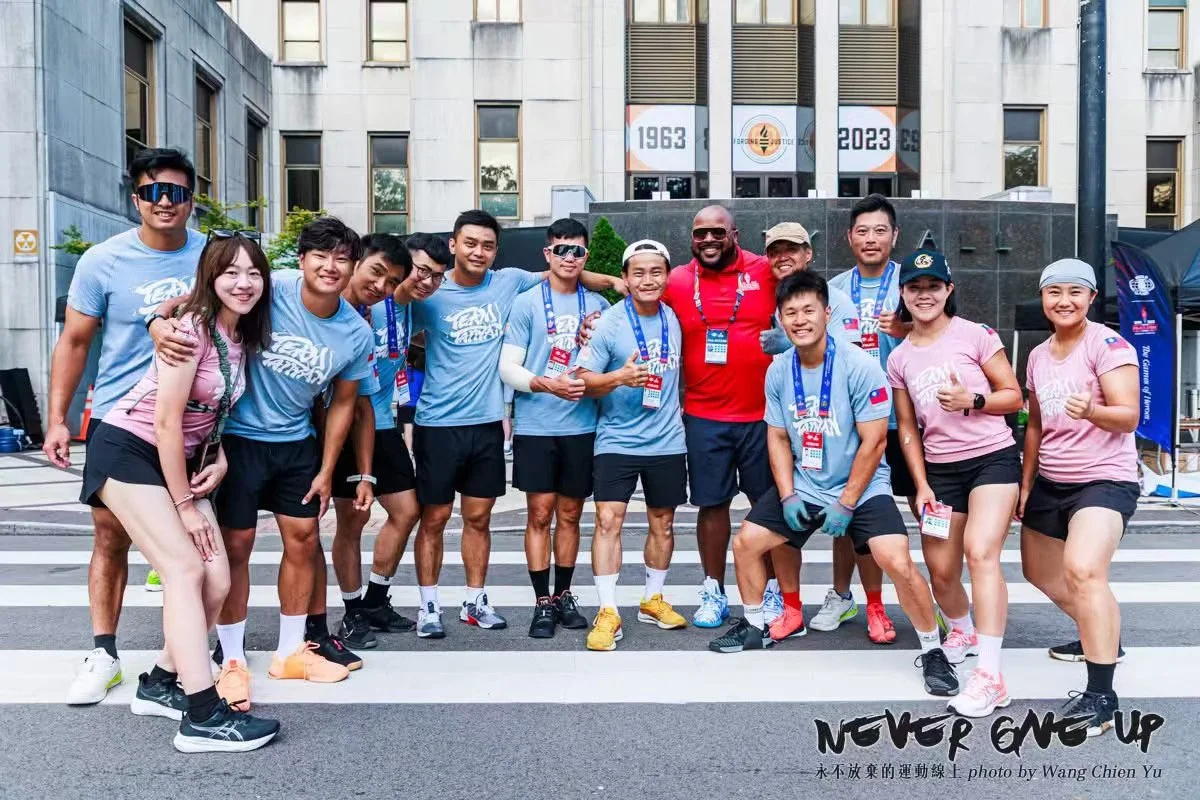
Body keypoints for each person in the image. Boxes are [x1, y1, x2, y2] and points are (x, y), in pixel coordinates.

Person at [151, 217, 379, 706]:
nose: (331, 266)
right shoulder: (271, 288)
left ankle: (291, 650)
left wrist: (327, 469)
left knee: (303, 540)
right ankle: (232, 658)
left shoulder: (356, 334)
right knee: (236, 546)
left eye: (342, 258)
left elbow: (344, 403)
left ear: (353, 267)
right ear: (302, 259)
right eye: (321, 255)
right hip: (237, 442)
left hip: (297, 445)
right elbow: (195, 301)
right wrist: (157, 322)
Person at [706, 271, 959, 698]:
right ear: (780, 319)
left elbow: (874, 442)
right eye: (790, 313)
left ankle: (933, 650)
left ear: (827, 314)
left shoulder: (859, 366)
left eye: (809, 310)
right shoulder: (778, 371)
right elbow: (778, 437)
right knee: (747, 542)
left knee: (895, 559)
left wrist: (846, 503)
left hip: (863, 486)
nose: (800, 320)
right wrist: (787, 494)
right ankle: (753, 625)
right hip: (806, 484)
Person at [78, 231, 279, 751]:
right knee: (185, 570)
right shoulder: (191, 330)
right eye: (230, 272)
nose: (243, 282)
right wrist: (186, 507)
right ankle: (203, 715)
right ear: (211, 277)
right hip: (129, 449)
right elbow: (166, 423)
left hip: (184, 461)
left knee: (217, 580)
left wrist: (220, 454)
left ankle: (160, 682)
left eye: (253, 273)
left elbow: (209, 410)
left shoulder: (238, 334)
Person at [405, 210, 623, 638]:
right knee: (434, 517)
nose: (478, 252)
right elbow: (397, 320)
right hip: (439, 421)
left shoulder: (507, 282)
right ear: (453, 244)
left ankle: (476, 600)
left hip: (489, 421)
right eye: (470, 243)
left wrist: (617, 282)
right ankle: (428, 605)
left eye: (487, 245)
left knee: (480, 518)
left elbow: (565, 270)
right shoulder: (430, 292)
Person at [44, 148, 206, 705]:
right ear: (136, 199)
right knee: (110, 536)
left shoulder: (211, 257)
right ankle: (104, 652)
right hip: (119, 420)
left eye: (176, 193)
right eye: (153, 192)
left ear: (191, 200)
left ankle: (178, 659)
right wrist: (58, 420)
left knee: (190, 547)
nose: (165, 202)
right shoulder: (103, 261)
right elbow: (75, 341)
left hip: (192, 426)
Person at [887, 250, 1024, 718]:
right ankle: (962, 629)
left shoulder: (975, 335)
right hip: (940, 471)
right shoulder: (900, 357)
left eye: (933, 286)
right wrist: (921, 485)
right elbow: (908, 428)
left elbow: (1014, 397)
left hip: (991, 460)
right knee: (941, 571)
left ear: (948, 290)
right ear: (903, 293)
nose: (924, 295)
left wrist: (974, 399)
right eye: (915, 287)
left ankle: (990, 676)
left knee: (980, 553)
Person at [1018, 258, 1140, 737]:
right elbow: (1035, 424)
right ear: (1043, 298)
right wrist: (1026, 483)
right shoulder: (1038, 355)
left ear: (1091, 297)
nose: (1064, 301)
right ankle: (1100, 632)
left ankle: (1101, 696)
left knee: (1084, 570)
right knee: (1039, 572)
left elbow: (1128, 415)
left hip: (1104, 480)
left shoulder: (1107, 345)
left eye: (1075, 292)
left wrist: (1092, 410)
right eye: (1054, 292)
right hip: (1051, 480)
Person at [661, 206, 779, 630]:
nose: (708, 240)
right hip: (704, 415)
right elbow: (636, 297)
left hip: (763, 415)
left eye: (717, 232)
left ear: (735, 234)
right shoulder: (677, 280)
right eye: (700, 234)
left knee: (768, 506)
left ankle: (771, 590)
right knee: (712, 505)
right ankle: (713, 590)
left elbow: (810, 295)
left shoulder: (764, 270)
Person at [576, 240, 689, 651]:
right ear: (625, 278)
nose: (648, 280)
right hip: (617, 440)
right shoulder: (608, 323)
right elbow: (581, 379)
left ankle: (651, 600)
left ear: (667, 276)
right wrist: (617, 379)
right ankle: (608, 610)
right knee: (609, 521)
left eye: (656, 272)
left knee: (664, 523)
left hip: (667, 440)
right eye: (638, 273)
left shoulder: (674, 316)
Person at [500, 218, 609, 637]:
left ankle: (563, 595)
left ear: (586, 255)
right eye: (561, 249)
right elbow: (508, 367)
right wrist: (549, 385)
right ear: (547, 253)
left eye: (577, 250)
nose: (569, 257)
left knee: (570, 514)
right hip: (537, 425)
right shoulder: (526, 303)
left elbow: (611, 361)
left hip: (581, 426)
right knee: (539, 514)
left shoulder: (598, 306)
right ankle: (541, 602)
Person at [757, 221, 863, 641]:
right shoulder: (779, 301)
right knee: (784, 523)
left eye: (792, 248)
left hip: (842, 429)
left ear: (809, 253)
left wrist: (789, 344)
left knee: (852, 521)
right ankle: (790, 606)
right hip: (798, 428)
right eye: (775, 250)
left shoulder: (834, 300)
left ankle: (848, 597)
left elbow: (848, 355)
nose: (783, 256)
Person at [821, 194, 910, 645]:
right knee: (848, 507)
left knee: (928, 511)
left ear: (895, 235)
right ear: (849, 237)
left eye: (880, 230)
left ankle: (936, 596)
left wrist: (907, 329)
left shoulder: (915, 282)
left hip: (908, 421)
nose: (871, 238)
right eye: (863, 231)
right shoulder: (834, 290)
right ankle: (843, 595)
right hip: (854, 424)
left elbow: (943, 336)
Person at [326, 234, 421, 649]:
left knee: (407, 510)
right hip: (339, 426)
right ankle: (352, 613)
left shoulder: (400, 306)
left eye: (393, 279)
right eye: (377, 272)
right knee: (352, 521)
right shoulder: (334, 306)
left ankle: (375, 600)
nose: (383, 285)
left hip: (381, 422)